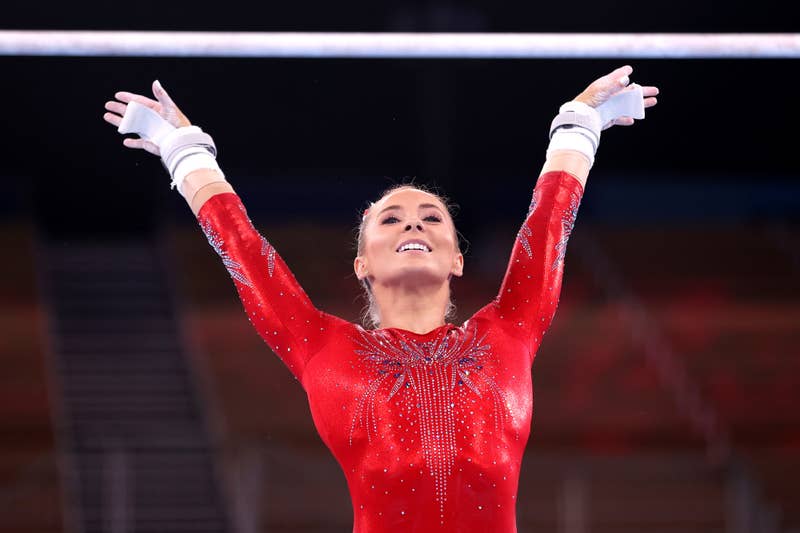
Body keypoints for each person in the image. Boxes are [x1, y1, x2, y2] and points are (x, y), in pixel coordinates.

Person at [103, 66, 658, 533]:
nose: (411, 222)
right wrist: (185, 150)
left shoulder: (507, 331)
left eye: (431, 217)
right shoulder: (322, 347)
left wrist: (578, 124)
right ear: (361, 264)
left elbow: (549, 226)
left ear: (457, 258)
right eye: (390, 219)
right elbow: (242, 248)